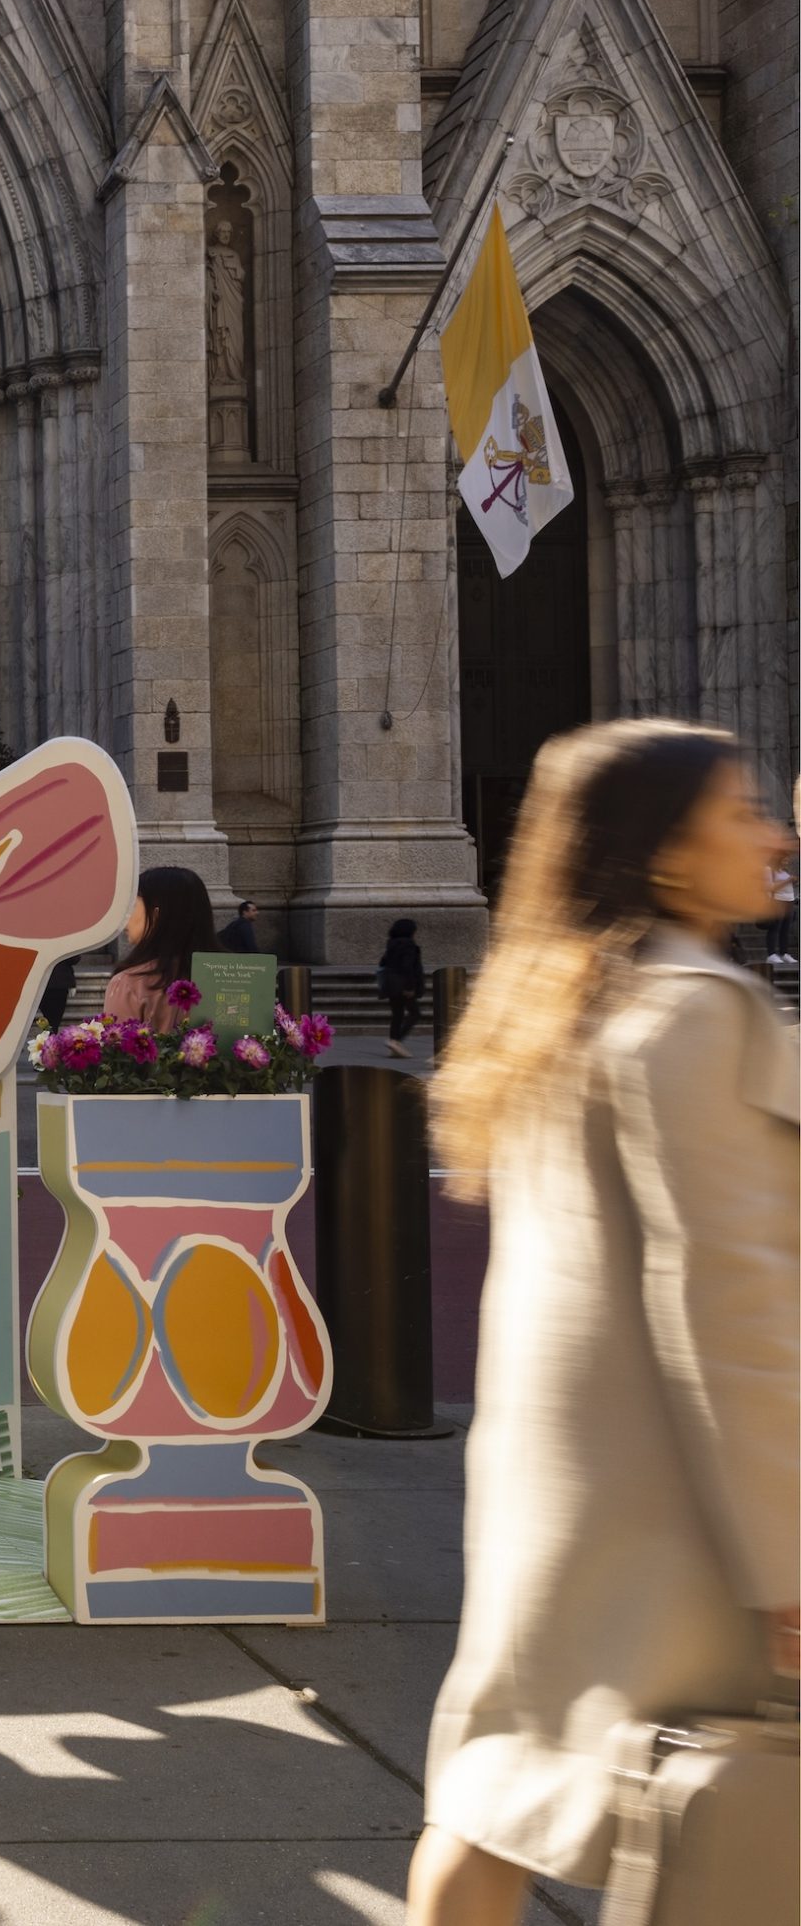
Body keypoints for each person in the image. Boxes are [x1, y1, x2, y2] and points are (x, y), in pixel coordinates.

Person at [412, 721, 798, 1926]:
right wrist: (785, 1554)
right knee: (709, 1807)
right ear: (669, 855)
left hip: (554, 1486)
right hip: (682, 1510)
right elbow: (731, 1299)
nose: (774, 833)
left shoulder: (552, 1010)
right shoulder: (699, 1010)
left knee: (489, 1795)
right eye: (741, 811)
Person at [102, 865, 221, 1033]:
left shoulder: (129, 984)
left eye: (133, 905)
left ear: (156, 915)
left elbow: (117, 1053)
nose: (125, 915)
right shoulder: (234, 977)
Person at [377, 917, 426, 1058]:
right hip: (403, 985)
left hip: (391, 985)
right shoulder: (408, 945)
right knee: (415, 1013)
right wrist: (410, 987)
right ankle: (396, 1041)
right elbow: (408, 967)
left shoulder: (392, 945)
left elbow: (383, 962)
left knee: (397, 1015)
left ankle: (394, 1046)